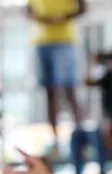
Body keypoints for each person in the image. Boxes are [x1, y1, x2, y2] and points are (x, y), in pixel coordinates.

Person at [29, 0, 87, 145]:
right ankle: (55, 140)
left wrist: (62, 18)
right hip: (42, 41)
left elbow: (83, 7)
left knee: (69, 91)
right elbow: (28, 10)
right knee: (50, 94)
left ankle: (82, 138)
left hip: (64, 40)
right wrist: (41, 18)